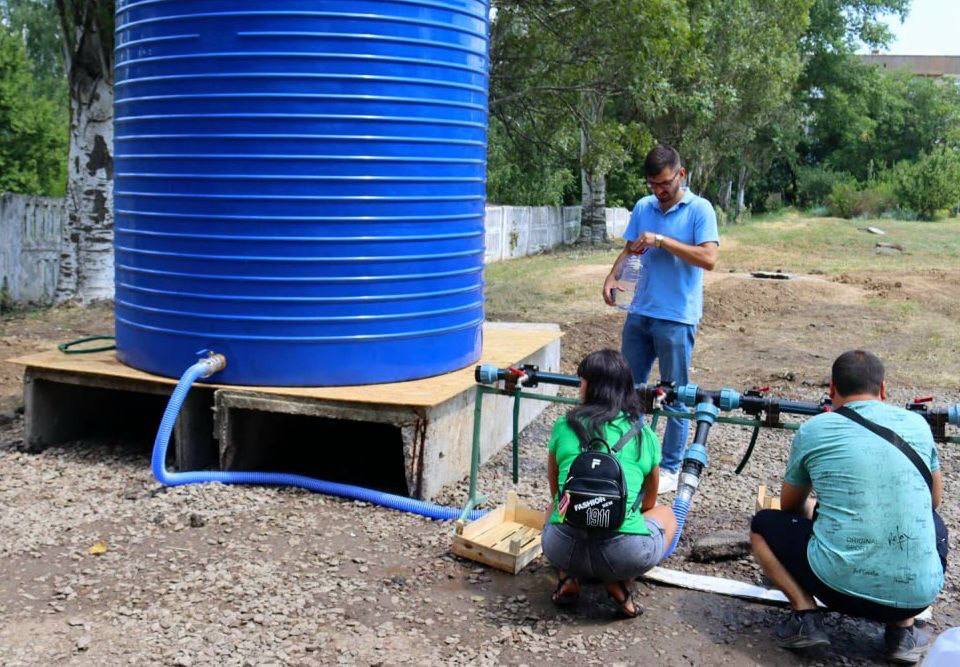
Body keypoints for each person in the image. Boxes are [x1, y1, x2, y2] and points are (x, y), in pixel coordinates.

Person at [750, 350, 946, 664]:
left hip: (835, 589)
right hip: (918, 597)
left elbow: (788, 504)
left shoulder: (814, 429)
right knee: (931, 521)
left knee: (762, 524)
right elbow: (933, 501)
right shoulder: (917, 425)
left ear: (831, 390)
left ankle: (805, 618)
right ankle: (902, 631)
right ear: (883, 389)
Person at [602, 144, 719, 494]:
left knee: (676, 395)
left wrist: (664, 241)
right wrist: (612, 276)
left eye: (665, 183)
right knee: (627, 390)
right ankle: (628, 456)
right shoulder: (643, 207)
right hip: (639, 313)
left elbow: (709, 258)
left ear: (681, 174)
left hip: (676, 318)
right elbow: (629, 248)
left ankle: (669, 467)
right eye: (653, 184)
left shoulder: (700, 209)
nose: (659, 190)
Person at [542, 349, 678, 617]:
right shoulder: (643, 434)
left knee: (554, 507)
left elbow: (557, 492)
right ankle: (619, 580)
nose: (579, 386)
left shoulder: (564, 425)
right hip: (624, 554)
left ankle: (567, 575)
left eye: (582, 381)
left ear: (592, 387)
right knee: (667, 514)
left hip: (563, 548)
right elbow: (649, 501)